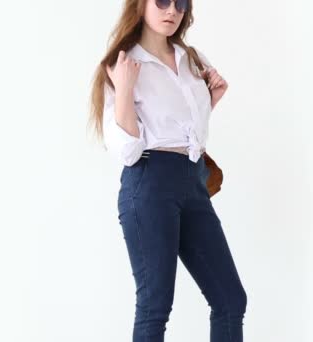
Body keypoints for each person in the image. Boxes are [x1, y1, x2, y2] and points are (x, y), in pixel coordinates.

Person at [88, 1, 247, 341]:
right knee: (154, 306)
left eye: (181, 2)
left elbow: (189, 134)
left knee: (231, 299)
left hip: (192, 182)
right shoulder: (122, 63)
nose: (172, 10)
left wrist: (211, 98)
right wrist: (126, 89)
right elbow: (128, 151)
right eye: (161, 1)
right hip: (150, 182)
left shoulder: (191, 59)